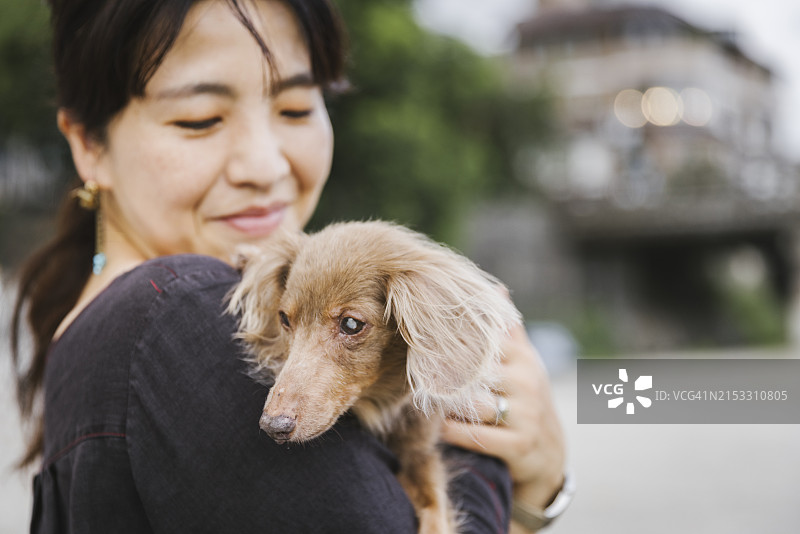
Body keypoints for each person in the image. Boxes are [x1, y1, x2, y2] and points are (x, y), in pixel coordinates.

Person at [11, 0, 569, 532]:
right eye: (199, 118)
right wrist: (528, 486)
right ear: (89, 146)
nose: (264, 164)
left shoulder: (99, 337)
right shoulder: (179, 321)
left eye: (297, 108)